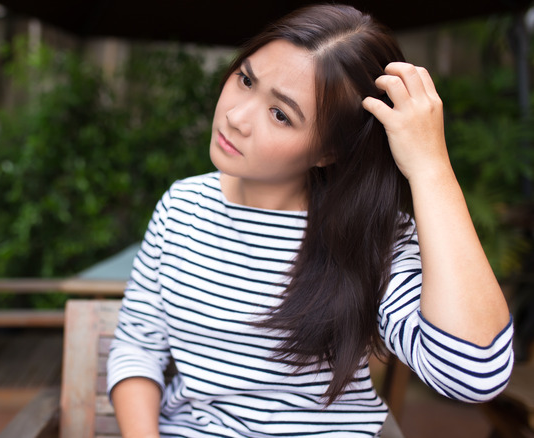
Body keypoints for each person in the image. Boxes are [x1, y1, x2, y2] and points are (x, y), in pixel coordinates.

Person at [106, 3, 514, 437]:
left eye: (280, 114)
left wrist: (431, 168)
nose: (236, 118)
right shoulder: (181, 207)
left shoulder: (371, 237)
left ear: (327, 152)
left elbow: (474, 375)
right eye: (246, 80)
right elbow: (137, 348)